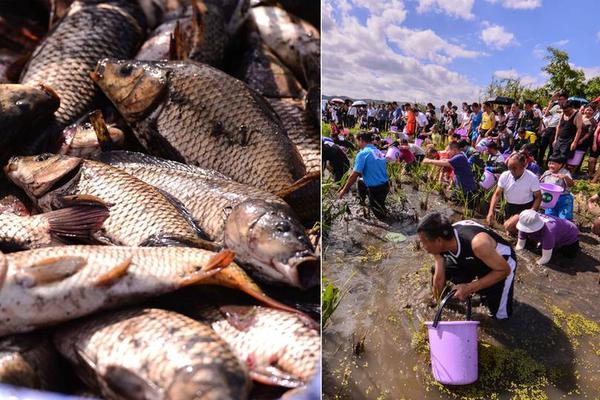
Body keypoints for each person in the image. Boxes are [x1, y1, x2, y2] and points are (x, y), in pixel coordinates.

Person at [417, 213, 517, 319]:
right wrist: (439, 303)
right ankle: (481, 295)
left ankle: (487, 295)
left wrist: (469, 288)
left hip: (500, 262)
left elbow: (505, 270)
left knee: (500, 316)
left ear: (439, 241)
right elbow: (439, 276)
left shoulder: (478, 243)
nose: (423, 246)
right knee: (439, 269)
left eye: (424, 242)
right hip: (472, 257)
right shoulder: (441, 242)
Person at [487, 152, 542, 234]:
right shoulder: (505, 175)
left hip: (525, 207)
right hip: (509, 206)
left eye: (514, 168)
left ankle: (525, 231)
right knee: (508, 232)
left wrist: (531, 211)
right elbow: (497, 194)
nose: (511, 171)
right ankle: (521, 232)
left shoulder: (532, 178)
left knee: (508, 226)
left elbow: (538, 197)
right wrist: (491, 211)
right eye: (509, 168)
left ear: (524, 166)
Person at [338, 132, 389, 219]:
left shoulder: (362, 154)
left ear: (361, 140)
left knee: (380, 217)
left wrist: (343, 190)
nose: (357, 143)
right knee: (360, 181)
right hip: (386, 186)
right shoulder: (378, 151)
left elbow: (354, 175)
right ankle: (362, 202)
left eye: (357, 141)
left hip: (376, 189)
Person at [540, 91, 568, 166]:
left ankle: (548, 163)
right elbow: (546, 114)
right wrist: (551, 103)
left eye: (561, 99)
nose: (559, 101)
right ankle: (539, 162)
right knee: (542, 145)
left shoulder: (568, 108)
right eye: (559, 99)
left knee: (552, 148)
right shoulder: (556, 107)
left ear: (566, 100)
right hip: (549, 128)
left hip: (557, 130)